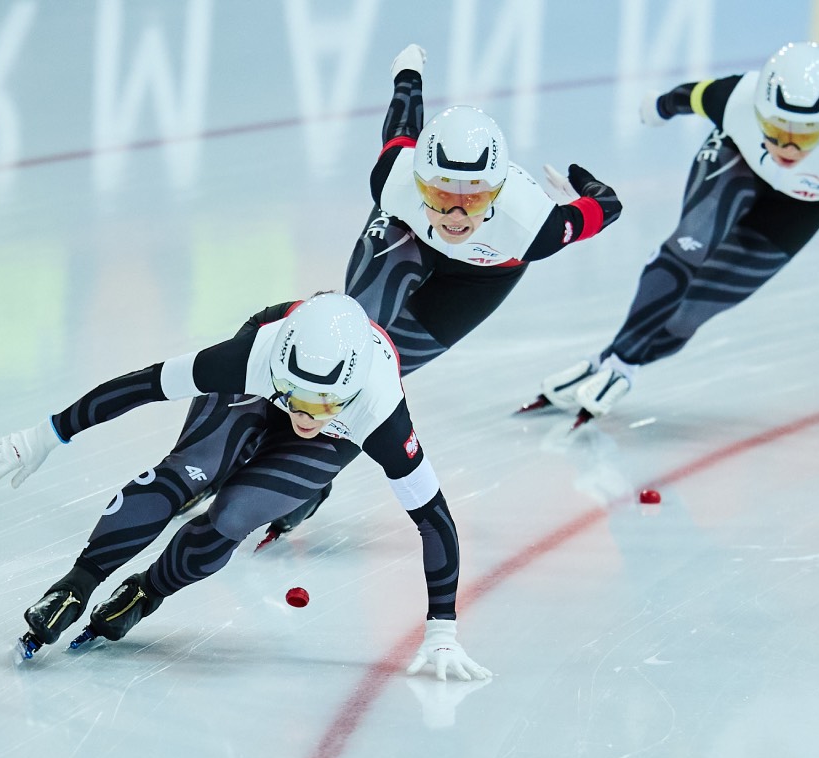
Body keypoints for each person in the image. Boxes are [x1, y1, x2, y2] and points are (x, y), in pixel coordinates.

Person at [0, 292, 490, 680]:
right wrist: (47, 435)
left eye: (324, 406)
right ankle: (75, 585)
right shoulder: (254, 355)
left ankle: (148, 591)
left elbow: (433, 518)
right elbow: (144, 384)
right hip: (256, 388)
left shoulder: (378, 410)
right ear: (279, 373)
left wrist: (443, 628)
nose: (306, 415)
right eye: (296, 398)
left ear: (352, 396)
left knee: (234, 514)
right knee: (187, 472)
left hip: (326, 416)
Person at [261, 42, 622, 541]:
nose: (455, 216)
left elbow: (607, 210)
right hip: (407, 233)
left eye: (472, 199)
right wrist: (407, 71)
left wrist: (591, 190)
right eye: (441, 194)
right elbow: (403, 121)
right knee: (352, 341)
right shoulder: (396, 180)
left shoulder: (532, 223)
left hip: (481, 277)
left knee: (375, 375)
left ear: (497, 191)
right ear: (419, 181)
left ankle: (306, 481)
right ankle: (252, 438)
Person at [524, 41, 819, 427]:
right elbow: (688, 96)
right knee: (686, 250)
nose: (788, 148)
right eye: (776, 130)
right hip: (736, 159)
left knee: (692, 312)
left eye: (805, 135)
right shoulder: (736, 97)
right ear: (759, 112)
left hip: (800, 205)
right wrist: (657, 107)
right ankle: (619, 363)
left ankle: (616, 363)